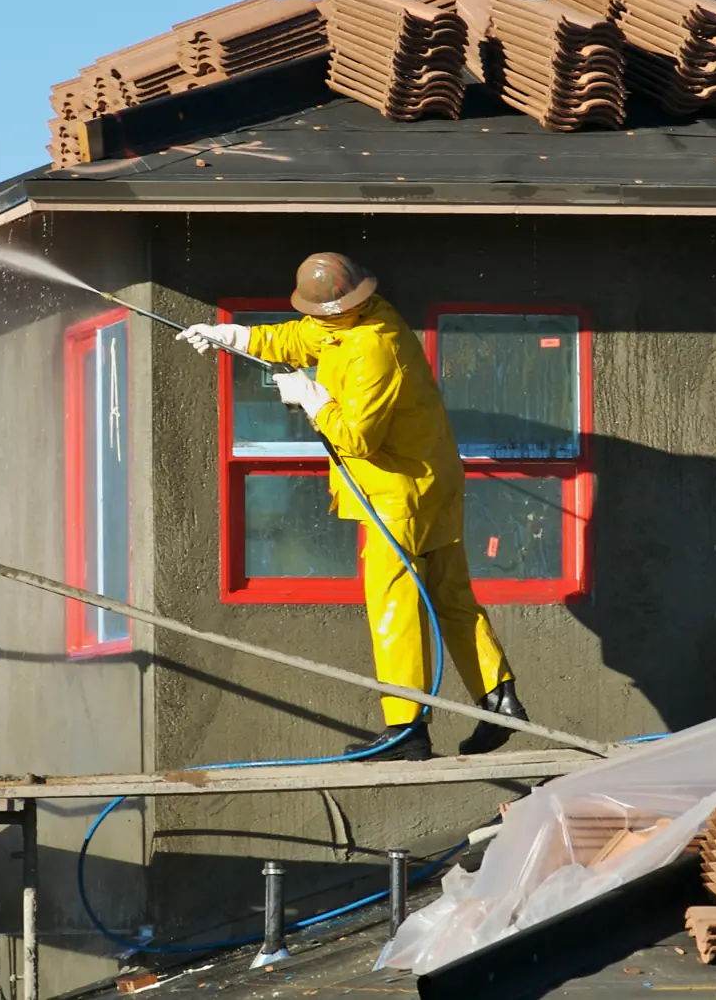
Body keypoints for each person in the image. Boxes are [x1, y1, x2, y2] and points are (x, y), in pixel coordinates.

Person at [178, 252, 526, 761]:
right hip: (428, 480)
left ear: (341, 307)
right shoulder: (354, 319)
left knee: (394, 604)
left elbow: (358, 437)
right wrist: (234, 337)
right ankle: (499, 701)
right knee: (450, 594)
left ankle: (407, 729)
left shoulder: (373, 347)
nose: (316, 319)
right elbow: (300, 337)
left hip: (398, 493)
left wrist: (311, 400)